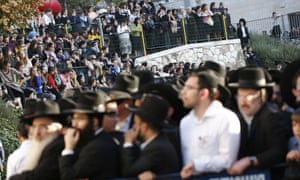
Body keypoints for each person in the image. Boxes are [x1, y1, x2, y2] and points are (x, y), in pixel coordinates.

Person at [227, 66, 288, 179]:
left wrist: (250, 161)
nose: (243, 101)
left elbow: (278, 151)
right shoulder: (235, 118)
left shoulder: (273, 117)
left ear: (263, 96)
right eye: (240, 95)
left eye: (249, 95)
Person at [180, 71, 240, 179]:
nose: (183, 92)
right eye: (184, 87)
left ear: (203, 94)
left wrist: (196, 165)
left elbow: (227, 160)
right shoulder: (185, 122)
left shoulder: (227, 118)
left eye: (189, 88)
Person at [59, 91, 121, 179]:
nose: (74, 124)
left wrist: (68, 149)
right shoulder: (95, 140)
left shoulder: (97, 148)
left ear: (95, 122)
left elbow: (68, 176)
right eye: (74, 118)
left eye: (80, 119)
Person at [121, 93, 180, 178]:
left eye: (136, 123)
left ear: (144, 126)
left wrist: (128, 143)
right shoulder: (156, 143)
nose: (133, 127)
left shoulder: (157, 149)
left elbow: (129, 172)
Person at [10, 100, 65, 180]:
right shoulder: (40, 147)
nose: (37, 132)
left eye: (43, 127)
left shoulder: (58, 147)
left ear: (57, 127)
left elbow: (38, 176)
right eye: (35, 126)